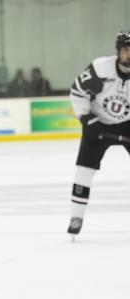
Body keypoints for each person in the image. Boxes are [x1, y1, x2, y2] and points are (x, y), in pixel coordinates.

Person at [67, 31, 130, 238]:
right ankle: (77, 216)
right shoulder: (101, 68)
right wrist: (86, 119)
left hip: (127, 123)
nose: (129, 54)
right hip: (98, 123)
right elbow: (77, 92)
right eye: (125, 50)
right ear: (118, 51)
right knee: (84, 170)